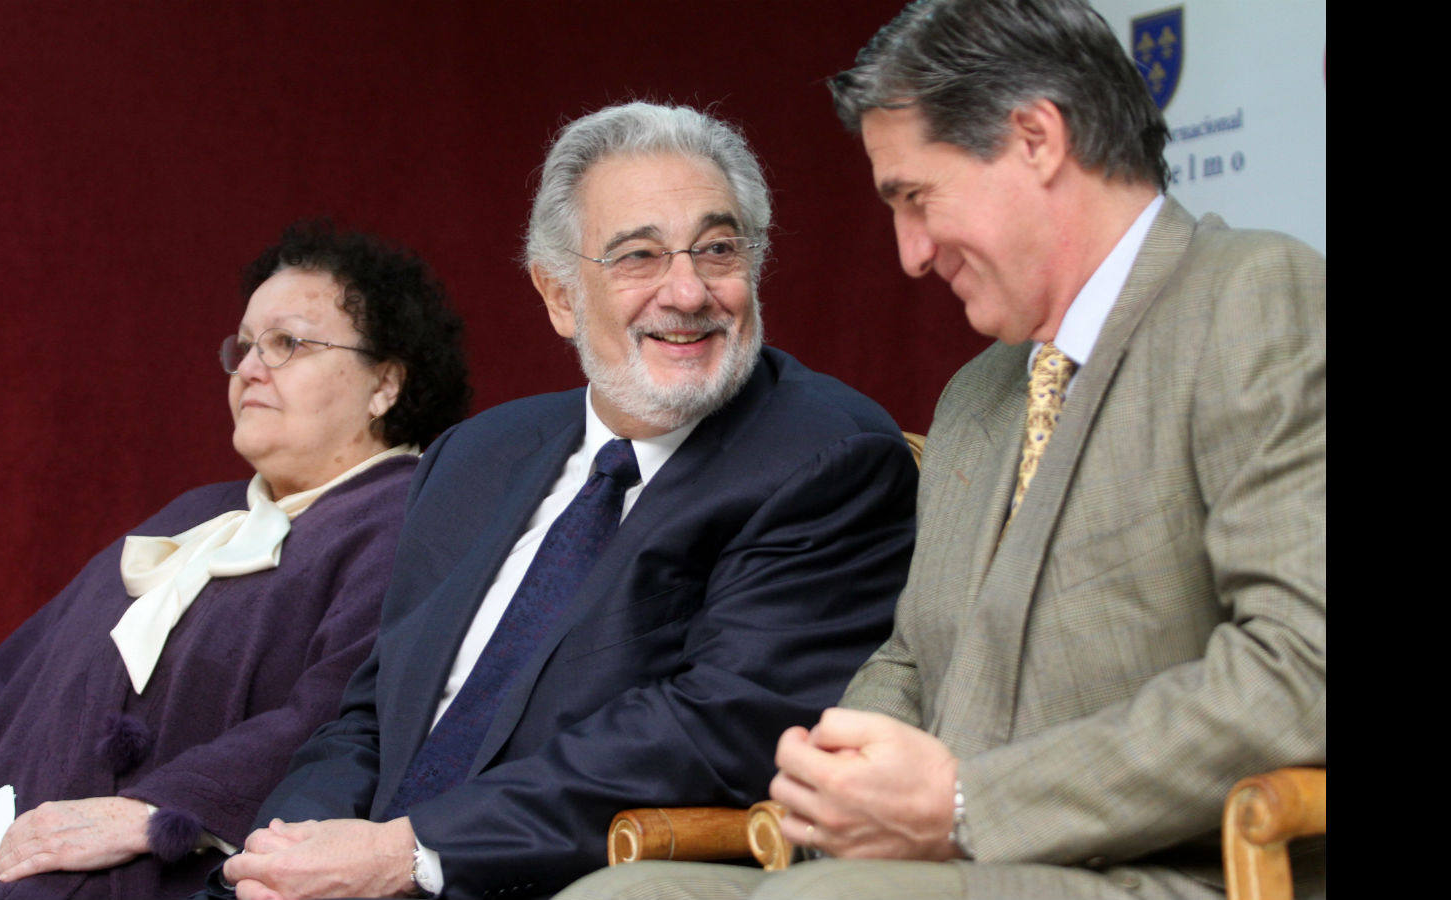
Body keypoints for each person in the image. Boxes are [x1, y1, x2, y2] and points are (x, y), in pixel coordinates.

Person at [560, 2, 1325, 898]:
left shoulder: (1260, 300)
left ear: (1036, 139)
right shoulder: (981, 391)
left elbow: (1300, 670)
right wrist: (838, 781)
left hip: (1169, 868)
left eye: (916, 197)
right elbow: (912, 658)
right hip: (943, 866)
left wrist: (965, 802)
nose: (911, 254)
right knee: (622, 892)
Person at [202, 102, 917, 900]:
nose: (688, 291)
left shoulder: (828, 458)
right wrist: (284, 857)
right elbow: (373, 713)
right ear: (559, 295)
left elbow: (718, 729)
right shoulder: (474, 457)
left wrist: (411, 854)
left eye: (718, 249)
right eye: (638, 257)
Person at [0, 220, 471, 900]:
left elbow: (348, 717)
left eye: (287, 344)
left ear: (384, 383)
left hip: (184, 875)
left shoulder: (413, 520)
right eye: (244, 347)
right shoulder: (190, 517)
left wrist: (159, 811)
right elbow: (10, 680)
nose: (249, 368)